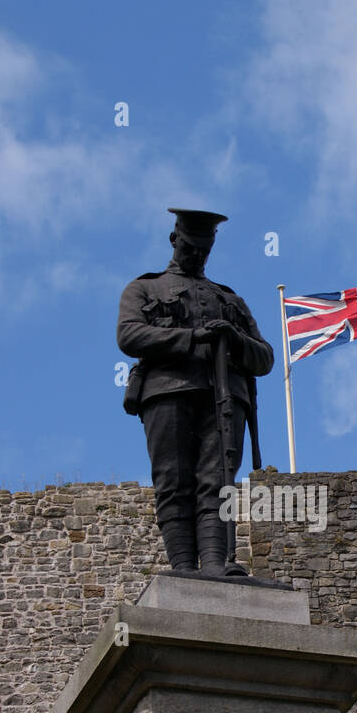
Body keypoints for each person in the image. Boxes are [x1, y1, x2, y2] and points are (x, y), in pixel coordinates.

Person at [117, 208, 274, 575]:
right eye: (189, 248)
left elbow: (264, 358)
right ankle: (184, 568)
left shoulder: (230, 300)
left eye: (203, 251)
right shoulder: (144, 288)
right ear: (175, 241)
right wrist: (190, 338)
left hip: (224, 397)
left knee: (218, 481)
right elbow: (129, 335)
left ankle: (217, 565)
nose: (195, 256)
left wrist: (234, 340)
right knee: (174, 482)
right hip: (166, 393)